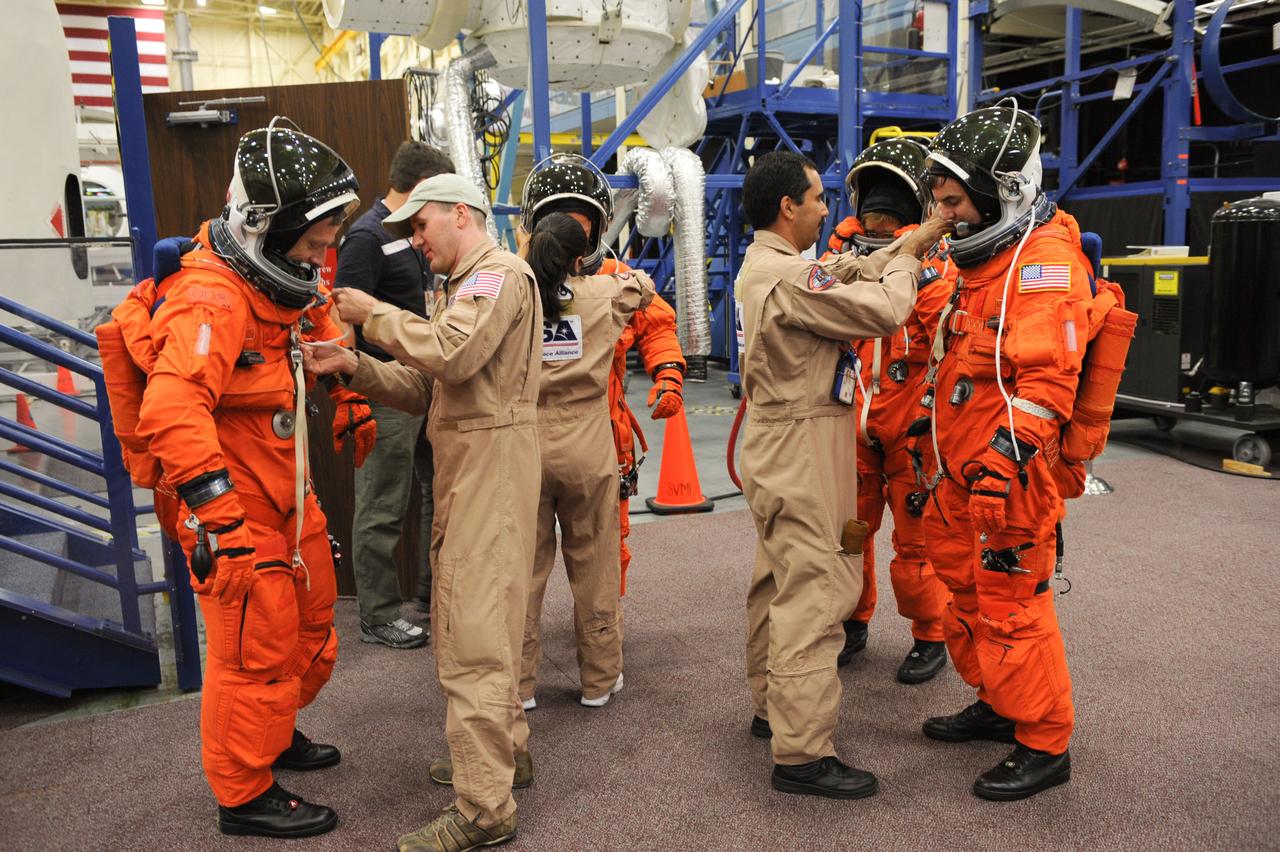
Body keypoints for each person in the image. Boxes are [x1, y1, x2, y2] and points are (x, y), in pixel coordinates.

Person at [113, 120, 372, 837]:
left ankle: (273, 732)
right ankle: (242, 794)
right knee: (252, 651)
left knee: (311, 626)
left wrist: (348, 396)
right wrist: (217, 516)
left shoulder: (282, 284)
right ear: (267, 227)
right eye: (313, 241)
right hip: (235, 504)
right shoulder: (214, 298)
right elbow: (171, 407)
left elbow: (319, 329)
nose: (322, 255)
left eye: (327, 242)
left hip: (285, 496)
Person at [306, 173, 541, 852]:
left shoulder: (495, 278)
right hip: (478, 470)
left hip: (487, 477)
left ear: (461, 215)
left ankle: (484, 810)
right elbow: (431, 387)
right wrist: (351, 365)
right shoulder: (469, 285)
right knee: (487, 626)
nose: (414, 241)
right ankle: (504, 760)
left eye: (420, 226)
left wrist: (369, 313)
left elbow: (450, 354)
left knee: (472, 641)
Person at [736, 150, 949, 799]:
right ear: (788, 207)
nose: (830, 210)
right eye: (819, 198)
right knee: (817, 591)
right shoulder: (792, 281)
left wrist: (926, 231)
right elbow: (884, 308)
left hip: (784, 442)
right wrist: (915, 264)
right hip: (802, 446)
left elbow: (855, 267)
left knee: (776, 579)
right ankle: (801, 755)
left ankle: (772, 708)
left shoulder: (772, 267)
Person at [917, 104, 1090, 800]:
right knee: (965, 592)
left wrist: (1002, 462)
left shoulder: (1043, 265)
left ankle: (1046, 741)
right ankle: (998, 700)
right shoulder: (984, 259)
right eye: (941, 199)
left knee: (1013, 608)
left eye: (955, 200)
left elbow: (1047, 382)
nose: (946, 213)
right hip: (960, 472)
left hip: (1008, 479)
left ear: (1003, 190)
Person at [518, 154, 685, 618]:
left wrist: (668, 373)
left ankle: (600, 630)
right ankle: (581, 652)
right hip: (532, 434)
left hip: (601, 434)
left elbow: (657, 327)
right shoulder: (516, 279)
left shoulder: (618, 281)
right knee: (522, 555)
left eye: (581, 224)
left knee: (608, 545)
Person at [515, 200, 656, 711]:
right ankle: (598, 679)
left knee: (523, 571)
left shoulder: (515, 297)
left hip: (526, 442)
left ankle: (521, 685)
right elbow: (644, 287)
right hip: (587, 442)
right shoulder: (602, 294)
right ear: (580, 259)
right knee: (594, 563)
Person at [825, 139, 955, 684]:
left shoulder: (936, 268)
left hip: (911, 427)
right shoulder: (840, 261)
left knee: (916, 543)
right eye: (871, 207)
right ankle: (853, 620)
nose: (877, 217)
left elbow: (943, 343)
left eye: (888, 208)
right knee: (850, 533)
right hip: (854, 420)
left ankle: (931, 633)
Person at [334, 140, 455, 649]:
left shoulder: (410, 232)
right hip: (384, 388)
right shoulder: (365, 236)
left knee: (436, 493)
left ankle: (428, 596)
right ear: (422, 185)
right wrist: (354, 394)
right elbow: (344, 312)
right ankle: (378, 614)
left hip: (427, 383)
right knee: (382, 505)